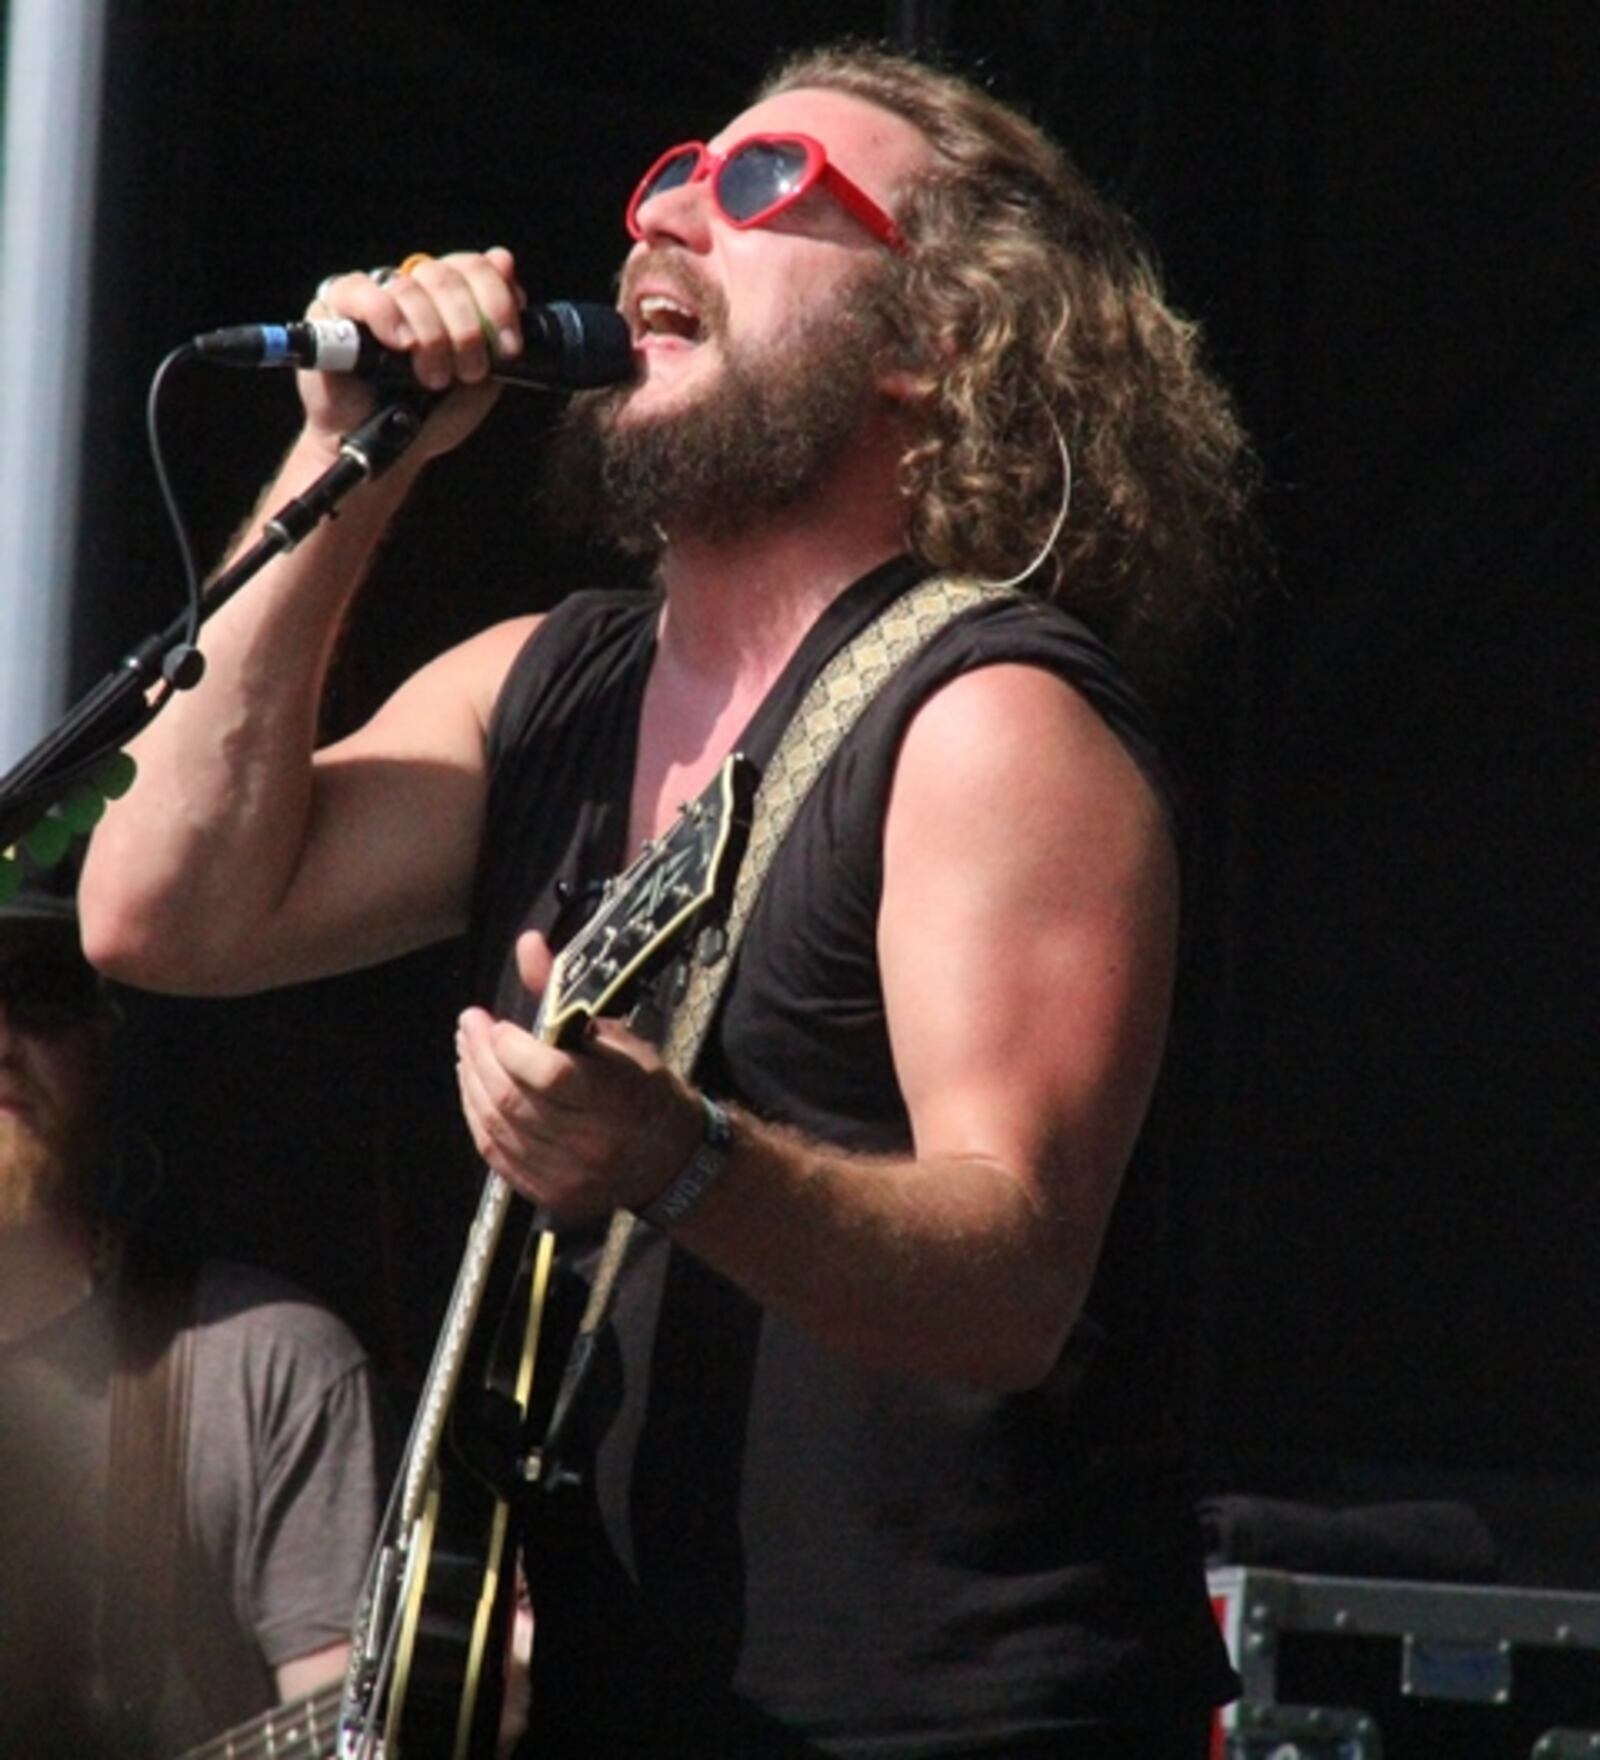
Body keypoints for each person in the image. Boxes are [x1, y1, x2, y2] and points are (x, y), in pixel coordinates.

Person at [80, 42, 1254, 1757]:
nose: (673, 219)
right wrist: (359, 454)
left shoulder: (993, 723)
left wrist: (678, 1159)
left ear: (939, 346)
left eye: (769, 189)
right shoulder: (546, 686)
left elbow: (1013, 1279)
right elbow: (162, 911)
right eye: (673, 179)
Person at [0, 866, 388, 1758]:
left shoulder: (264, 1370)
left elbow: (360, 1727)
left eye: (40, 991)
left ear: (104, 1042)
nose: (2, 1038)